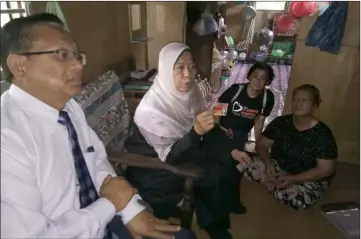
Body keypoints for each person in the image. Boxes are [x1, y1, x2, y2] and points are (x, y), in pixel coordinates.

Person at [1, 13, 196, 239]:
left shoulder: (69, 107)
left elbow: (95, 159)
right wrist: (111, 204)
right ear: (19, 65)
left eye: (77, 55)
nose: (77, 65)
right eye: (62, 54)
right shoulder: (8, 139)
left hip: (102, 218)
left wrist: (130, 210)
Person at [124, 42, 251, 239]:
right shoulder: (151, 110)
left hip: (185, 146)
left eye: (192, 66)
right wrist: (196, 132)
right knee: (213, 173)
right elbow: (172, 156)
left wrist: (231, 149)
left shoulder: (192, 93)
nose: (188, 74)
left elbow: (205, 125)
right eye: (180, 68)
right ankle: (214, 225)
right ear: (166, 70)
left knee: (228, 159)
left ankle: (223, 207)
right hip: (156, 167)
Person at [238, 84, 338, 210]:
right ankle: (276, 183)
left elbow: (326, 169)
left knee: (298, 199)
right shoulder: (281, 122)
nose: (298, 103)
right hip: (279, 166)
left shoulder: (322, 134)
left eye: (304, 100)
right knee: (242, 161)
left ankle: (276, 185)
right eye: (295, 99)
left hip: (307, 177)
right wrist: (268, 164)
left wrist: (294, 179)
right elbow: (262, 144)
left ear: (314, 105)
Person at [217, 62, 275, 149]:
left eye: (262, 78)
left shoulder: (267, 98)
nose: (257, 81)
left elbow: (259, 121)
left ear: (268, 82)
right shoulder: (235, 90)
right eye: (255, 76)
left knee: (237, 145)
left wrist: (258, 144)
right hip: (224, 129)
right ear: (249, 77)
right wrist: (216, 129)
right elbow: (219, 107)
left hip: (242, 134)